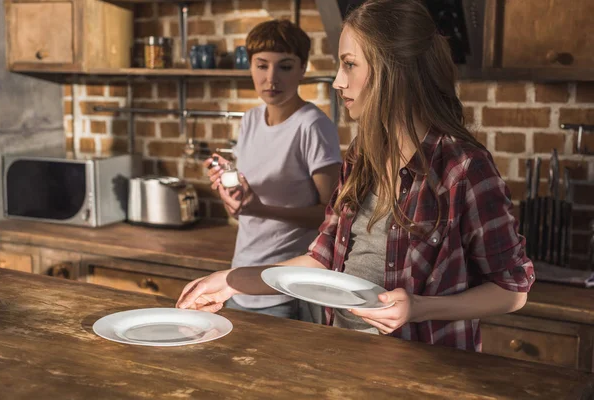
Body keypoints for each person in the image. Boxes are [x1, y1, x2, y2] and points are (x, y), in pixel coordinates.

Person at [177, 0, 535, 351]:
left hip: (422, 367)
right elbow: (322, 258)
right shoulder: (362, 156)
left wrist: (419, 308)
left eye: (349, 65)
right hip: (346, 355)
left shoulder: (464, 168)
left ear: (394, 70)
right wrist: (230, 281)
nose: (337, 81)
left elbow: (512, 290)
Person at [199, 19, 342, 321]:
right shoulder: (250, 120)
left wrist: (261, 208)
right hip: (241, 277)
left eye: (285, 67)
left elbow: (334, 217)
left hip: (285, 286)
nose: (271, 78)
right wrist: (233, 197)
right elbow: (242, 211)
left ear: (303, 68)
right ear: (250, 67)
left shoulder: (312, 125)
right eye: (261, 66)